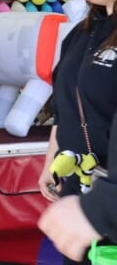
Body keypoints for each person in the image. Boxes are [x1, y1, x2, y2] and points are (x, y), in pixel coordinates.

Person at [36, 0, 117, 264]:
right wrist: (51, 163)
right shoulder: (80, 32)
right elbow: (64, 106)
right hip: (80, 189)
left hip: (110, 197)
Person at [38, 112, 117, 261]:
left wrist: (102, 205)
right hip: (78, 188)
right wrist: (49, 163)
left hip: (105, 196)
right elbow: (62, 111)